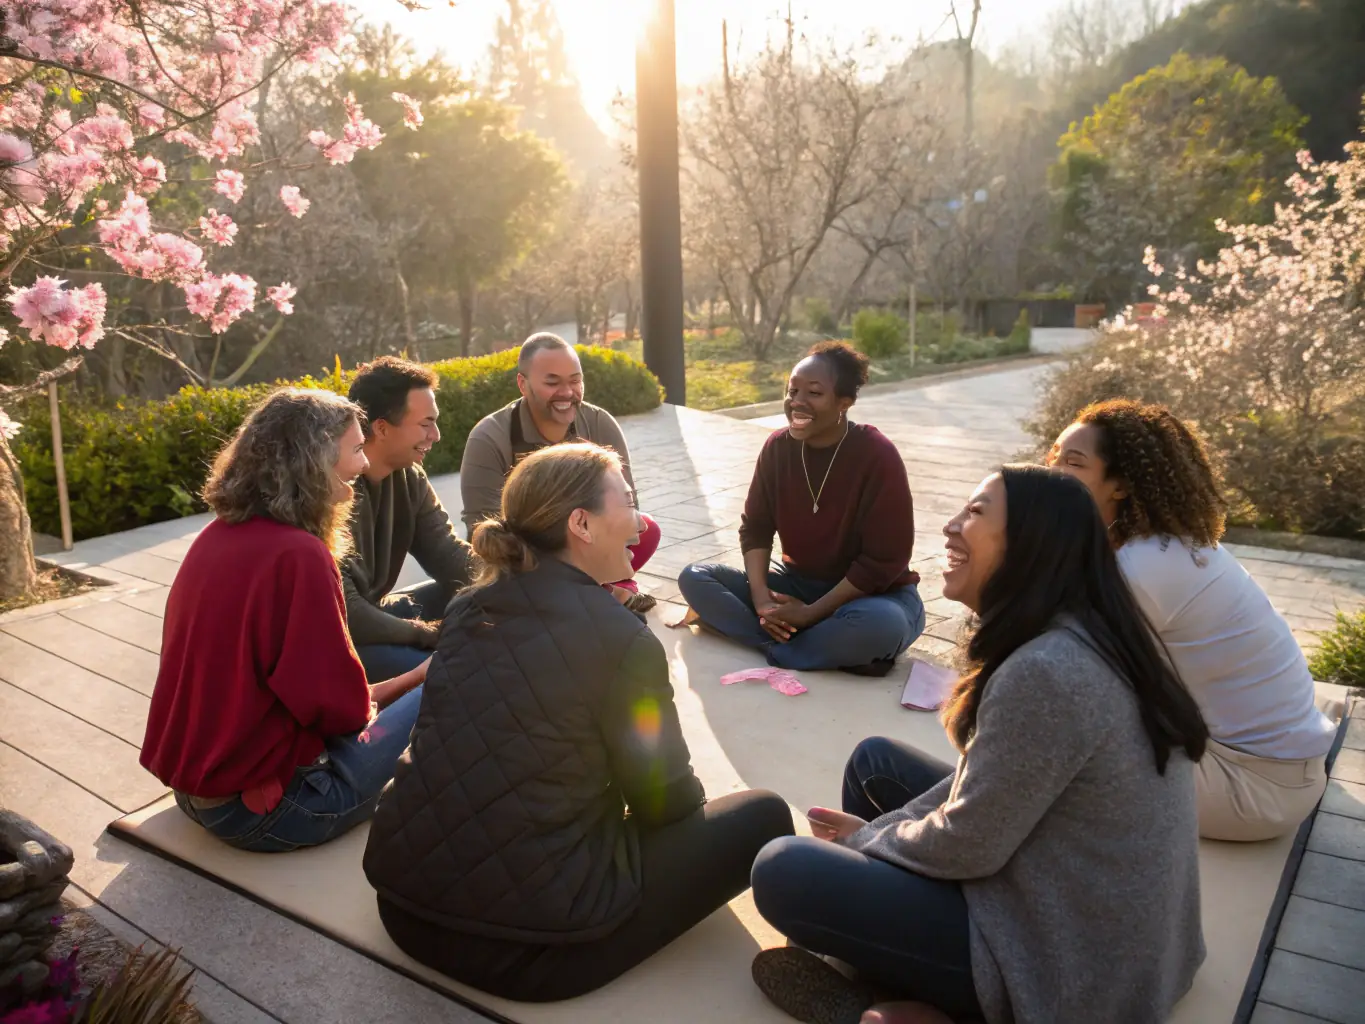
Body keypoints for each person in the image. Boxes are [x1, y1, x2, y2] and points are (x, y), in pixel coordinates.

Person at [748, 466, 1209, 1024]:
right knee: (875, 765)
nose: (950, 526)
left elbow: (970, 845)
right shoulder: (1084, 632)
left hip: (1075, 970)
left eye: (976, 513)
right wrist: (885, 837)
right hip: (1096, 913)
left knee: (784, 869)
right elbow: (982, 781)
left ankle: (890, 1004)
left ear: (1030, 544)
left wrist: (872, 840)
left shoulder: (1049, 672)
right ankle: (890, 972)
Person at [363, 443, 793, 1001]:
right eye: (630, 503)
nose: (640, 524)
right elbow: (664, 803)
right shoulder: (622, 641)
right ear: (581, 524)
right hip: (535, 953)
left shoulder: (469, 609)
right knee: (761, 817)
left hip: (406, 908)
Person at [141, 389, 428, 853]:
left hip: (196, 793)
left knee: (411, 680)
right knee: (447, 684)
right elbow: (341, 712)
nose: (362, 464)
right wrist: (419, 678)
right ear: (313, 462)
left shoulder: (217, 535)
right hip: (272, 812)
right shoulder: (299, 555)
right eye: (355, 450)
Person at [1048, 399, 1337, 842]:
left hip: (1255, 789)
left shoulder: (1142, 568)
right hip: (1273, 767)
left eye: (1073, 462)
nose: (1051, 473)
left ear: (1121, 484)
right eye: (1053, 456)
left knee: (1050, 755)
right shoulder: (1158, 546)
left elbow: (1061, 674)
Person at [677, 341, 924, 675]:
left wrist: (811, 613)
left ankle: (801, 642)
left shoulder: (876, 454)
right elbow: (756, 528)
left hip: (873, 597)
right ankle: (794, 647)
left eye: (814, 393)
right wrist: (763, 600)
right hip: (798, 585)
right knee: (695, 578)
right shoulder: (777, 448)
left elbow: (884, 562)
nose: (797, 402)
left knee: (882, 626)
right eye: (792, 390)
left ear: (844, 403)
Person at [459, 332, 661, 612]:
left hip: (587, 541)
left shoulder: (599, 424)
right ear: (523, 384)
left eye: (575, 381)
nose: (566, 393)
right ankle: (605, 593)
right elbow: (481, 530)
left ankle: (598, 591)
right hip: (528, 557)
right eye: (552, 382)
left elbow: (628, 504)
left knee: (646, 529)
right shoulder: (489, 438)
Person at [343, 356, 477, 682]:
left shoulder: (410, 477)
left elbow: (447, 552)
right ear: (381, 427)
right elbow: (344, 609)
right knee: (450, 667)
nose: (437, 435)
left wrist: (520, 584)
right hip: (340, 639)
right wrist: (422, 633)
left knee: (472, 594)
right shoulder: (333, 485)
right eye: (425, 423)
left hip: (376, 612)